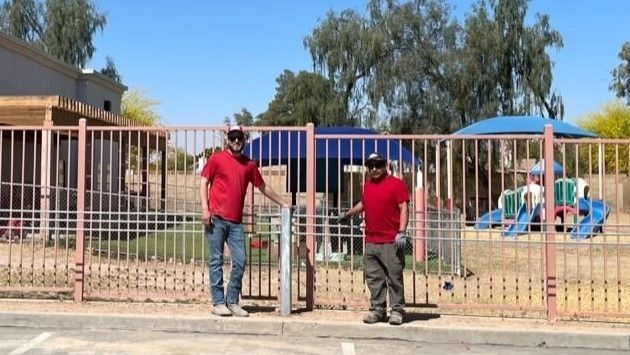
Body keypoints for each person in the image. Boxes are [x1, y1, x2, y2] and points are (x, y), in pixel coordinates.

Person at [199, 125, 288, 317]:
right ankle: (217, 302)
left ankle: (232, 301)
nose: (236, 141)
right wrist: (205, 209)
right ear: (228, 140)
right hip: (215, 218)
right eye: (233, 138)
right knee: (216, 260)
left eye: (239, 138)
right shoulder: (217, 159)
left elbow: (263, 186)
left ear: (244, 140)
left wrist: (283, 203)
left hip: (235, 222)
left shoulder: (249, 165)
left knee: (241, 260)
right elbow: (204, 181)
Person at [338, 152, 409, 325]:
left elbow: (404, 208)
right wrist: (348, 214)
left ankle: (397, 310)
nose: (374, 169)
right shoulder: (367, 186)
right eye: (371, 166)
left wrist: (401, 232)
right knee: (374, 277)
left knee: (394, 277)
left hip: (391, 241)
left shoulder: (397, 185)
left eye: (378, 165)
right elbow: (363, 204)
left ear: (385, 165)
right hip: (371, 241)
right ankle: (378, 310)